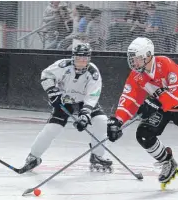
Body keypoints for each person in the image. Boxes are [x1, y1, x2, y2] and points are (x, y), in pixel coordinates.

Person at [107, 37, 178, 189]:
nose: (133, 63)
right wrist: (118, 121)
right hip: (162, 108)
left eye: (136, 59)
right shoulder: (136, 75)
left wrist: (155, 102)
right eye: (132, 59)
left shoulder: (166, 64)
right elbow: (129, 98)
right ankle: (167, 162)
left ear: (148, 56)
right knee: (144, 133)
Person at [21, 43, 113, 173]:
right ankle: (33, 157)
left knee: (101, 121)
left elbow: (92, 95)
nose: (81, 61)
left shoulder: (93, 73)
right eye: (79, 57)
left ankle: (97, 156)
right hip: (64, 101)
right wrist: (53, 92)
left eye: (85, 58)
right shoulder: (62, 65)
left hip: (84, 102)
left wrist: (85, 114)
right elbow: (46, 75)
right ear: (73, 57)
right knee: (52, 128)